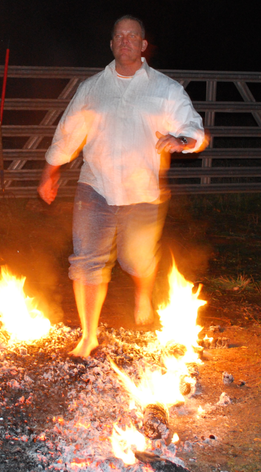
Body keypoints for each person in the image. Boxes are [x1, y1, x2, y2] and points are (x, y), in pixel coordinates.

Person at [38, 15, 206, 357]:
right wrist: (50, 171)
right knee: (86, 261)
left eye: (132, 36)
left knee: (137, 260)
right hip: (94, 186)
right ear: (112, 45)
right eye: (119, 36)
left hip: (142, 192)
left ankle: (142, 293)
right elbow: (69, 131)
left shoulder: (165, 89)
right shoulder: (92, 88)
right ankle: (88, 336)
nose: (125, 40)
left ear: (143, 45)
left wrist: (182, 139)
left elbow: (194, 128)